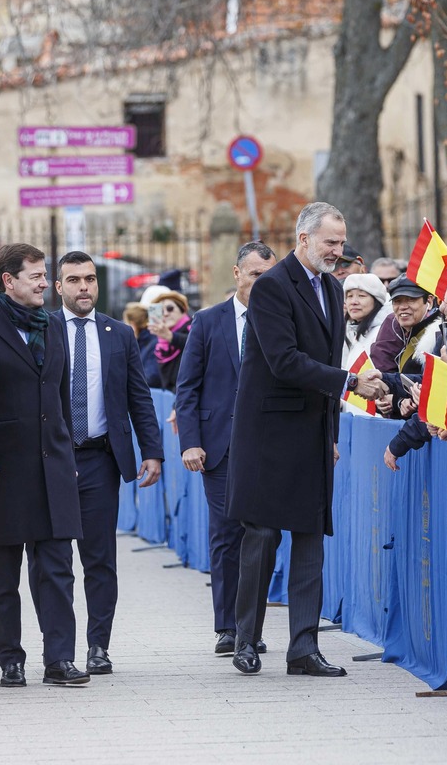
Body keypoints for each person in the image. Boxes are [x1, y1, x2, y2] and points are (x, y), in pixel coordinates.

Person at [226, 202, 386, 677]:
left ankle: (303, 648)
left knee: (311, 538)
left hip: (312, 431)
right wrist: (352, 382)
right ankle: (245, 638)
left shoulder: (332, 289)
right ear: (303, 240)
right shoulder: (272, 287)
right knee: (261, 536)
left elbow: (324, 363)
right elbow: (284, 361)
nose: (338, 251)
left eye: (341, 242)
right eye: (330, 243)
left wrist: (332, 432)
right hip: (268, 433)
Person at [0, 243, 88, 688]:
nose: (44, 283)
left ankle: (59, 659)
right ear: (8, 280)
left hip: (52, 466)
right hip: (2, 469)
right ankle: (10, 660)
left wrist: (67, 454)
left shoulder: (53, 326)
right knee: (3, 573)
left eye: (44, 275)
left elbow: (58, 395)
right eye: (36, 276)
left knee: (57, 568)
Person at [54, 251, 164, 676]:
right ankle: (59, 649)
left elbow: (139, 396)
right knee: (56, 560)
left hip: (100, 459)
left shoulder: (118, 334)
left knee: (99, 560)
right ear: (58, 286)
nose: (84, 287)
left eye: (90, 279)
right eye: (74, 280)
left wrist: (151, 450)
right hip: (54, 461)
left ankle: (98, 645)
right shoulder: (43, 330)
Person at [176, 241, 277, 655]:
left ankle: (251, 627)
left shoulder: (281, 321)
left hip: (268, 448)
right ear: (237, 274)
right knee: (226, 535)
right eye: (255, 275)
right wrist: (191, 442)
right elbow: (187, 387)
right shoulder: (207, 322)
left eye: (268, 276)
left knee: (263, 537)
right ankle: (228, 628)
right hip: (219, 449)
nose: (261, 283)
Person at [342, 273, 390, 370]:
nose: (354, 302)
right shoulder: (349, 332)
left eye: (361, 296)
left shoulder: (383, 333)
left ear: (376, 301)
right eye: (350, 296)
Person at [148, 291, 191, 392]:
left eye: (170, 308)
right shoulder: (161, 341)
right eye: (161, 311)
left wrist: (170, 336)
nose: (166, 314)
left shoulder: (194, 328)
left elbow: (193, 344)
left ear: (183, 309)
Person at [122, 302, 162, 389]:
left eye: (125, 323)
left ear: (133, 325)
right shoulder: (143, 342)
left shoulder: (152, 343)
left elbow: (151, 377)